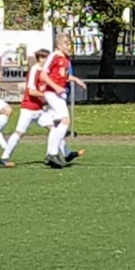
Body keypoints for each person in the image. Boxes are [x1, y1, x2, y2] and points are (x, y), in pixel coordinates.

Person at [0, 49, 84, 167]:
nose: (48, 61)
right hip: (29, 108)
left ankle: (64, 154)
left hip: (40, 109)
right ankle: (4, 157)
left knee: (55, 129)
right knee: (19, 133)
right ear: (39, 59)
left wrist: (75, 79)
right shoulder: (35, 70)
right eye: (45, 58)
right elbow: (31, 91)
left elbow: (63, 76)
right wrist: (47, 96)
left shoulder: (47, 72)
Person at [40, 33, 87, 169]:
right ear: (59, 45)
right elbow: (43, 74)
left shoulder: (65, 59)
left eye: (69, 44)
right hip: (52, 93)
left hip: (59, 94)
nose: (69, 47)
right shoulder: (54, 56)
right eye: (66, 44)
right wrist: (55, 86)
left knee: (57, 125)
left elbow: (64, 76)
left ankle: (51, 155)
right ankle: (53, 153)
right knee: (65, 121)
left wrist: (76, 80)